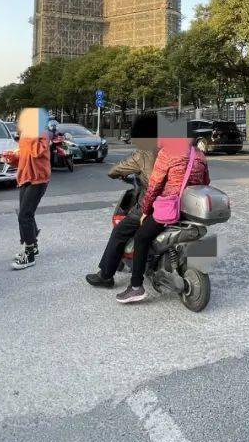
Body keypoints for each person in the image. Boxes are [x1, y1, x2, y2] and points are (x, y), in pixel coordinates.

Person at [115, 124, 210, 304]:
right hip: (189, 210)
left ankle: (136, 287)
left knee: (141, 237)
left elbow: (154, 187)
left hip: (170, 208)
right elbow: (205, 182)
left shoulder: (168, 153)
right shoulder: (199, 155)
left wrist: (145, 211)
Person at [85, 114, 160, 289]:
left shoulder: (142, 154)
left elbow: (113, 171)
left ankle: (106, 276)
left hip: (151, 203)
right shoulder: (168, 149)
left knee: (120, 231)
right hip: (174, 200)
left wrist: (123, 174)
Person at [11, 108, 52, 270]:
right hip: (25, 176)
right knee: (25, 213)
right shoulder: (25, 135)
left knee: (24, 216)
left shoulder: (42, 134)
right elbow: (25, 155)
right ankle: (33, 245)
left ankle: (29, 255)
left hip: (38, 179)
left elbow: (35, 152)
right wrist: (13, 158)